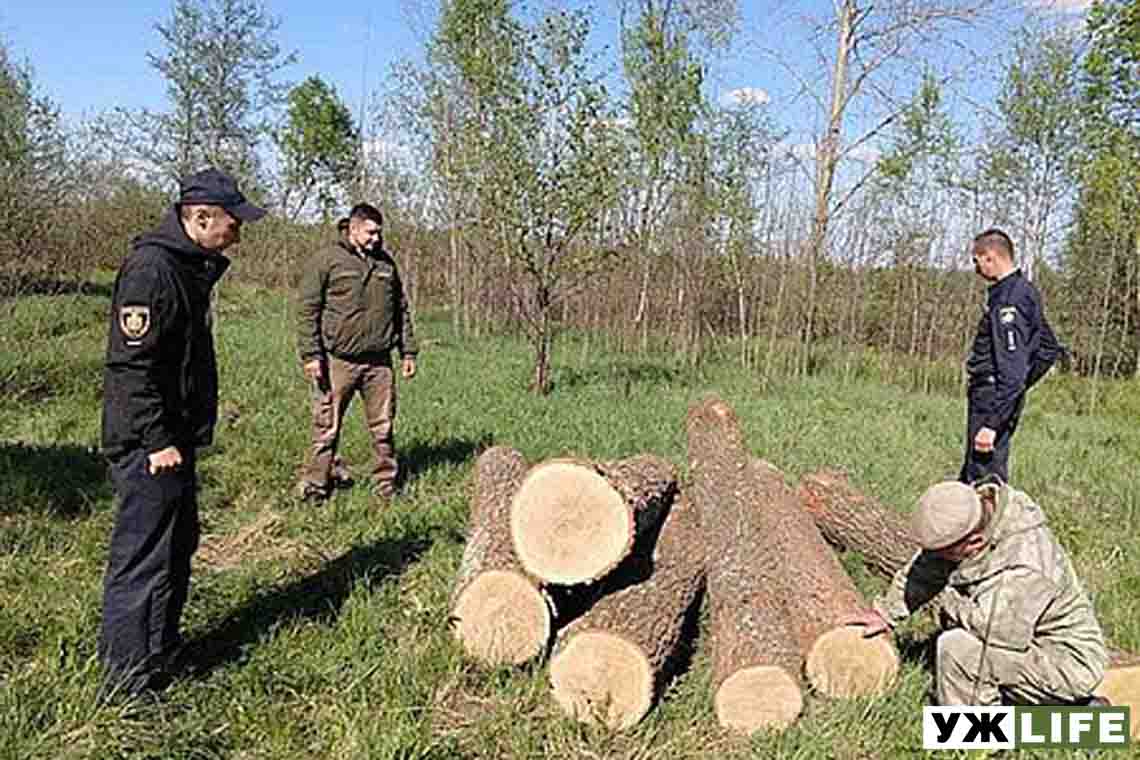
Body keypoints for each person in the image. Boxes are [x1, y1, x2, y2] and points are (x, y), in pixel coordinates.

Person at [99, 167, 266, 696]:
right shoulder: (153, 271)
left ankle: (161, 650)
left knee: (176, 546)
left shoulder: (185, 267)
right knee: (143, 557)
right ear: (200, 218)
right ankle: (126, 681)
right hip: (150, 446)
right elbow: (132, 368)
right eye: (233, 222)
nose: (238, 232)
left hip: (174, 438)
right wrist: (157, 441)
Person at [847, 479, 1107, 707]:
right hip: (1026, 640)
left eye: (944, 553)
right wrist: (885, 613)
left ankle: (973, 738)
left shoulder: (1025, 563)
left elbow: (998, 632)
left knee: (958, 650)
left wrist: (948, 599)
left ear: (974, 542)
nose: (937, 559)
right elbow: (927, 569)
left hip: (1065, 661)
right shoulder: (971, 515)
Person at [296, 203, 418, 501]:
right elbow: (307, 309)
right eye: (370, 233)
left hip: (379, 364)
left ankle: (386, 486)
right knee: (326, 427)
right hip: (337, 361)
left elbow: (400, 309)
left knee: (383, 427)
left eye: (379, 233)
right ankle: (316, 486)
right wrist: (311, 355)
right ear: (352, 228)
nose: (376, 239)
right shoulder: (327, 260)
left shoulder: (385, 264)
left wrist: (408, 352)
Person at [960, 228, 1064, 484]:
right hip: (1002, 395)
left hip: (991, 397)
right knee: (977, 474)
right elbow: (1048, 348)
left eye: (977, 261)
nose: (976, 269)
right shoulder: (1025, 291)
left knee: (983, 482)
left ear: (991, 257)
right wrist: (1016, 388)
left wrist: (992, 422)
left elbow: (1016, 365)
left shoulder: (1008, 301)